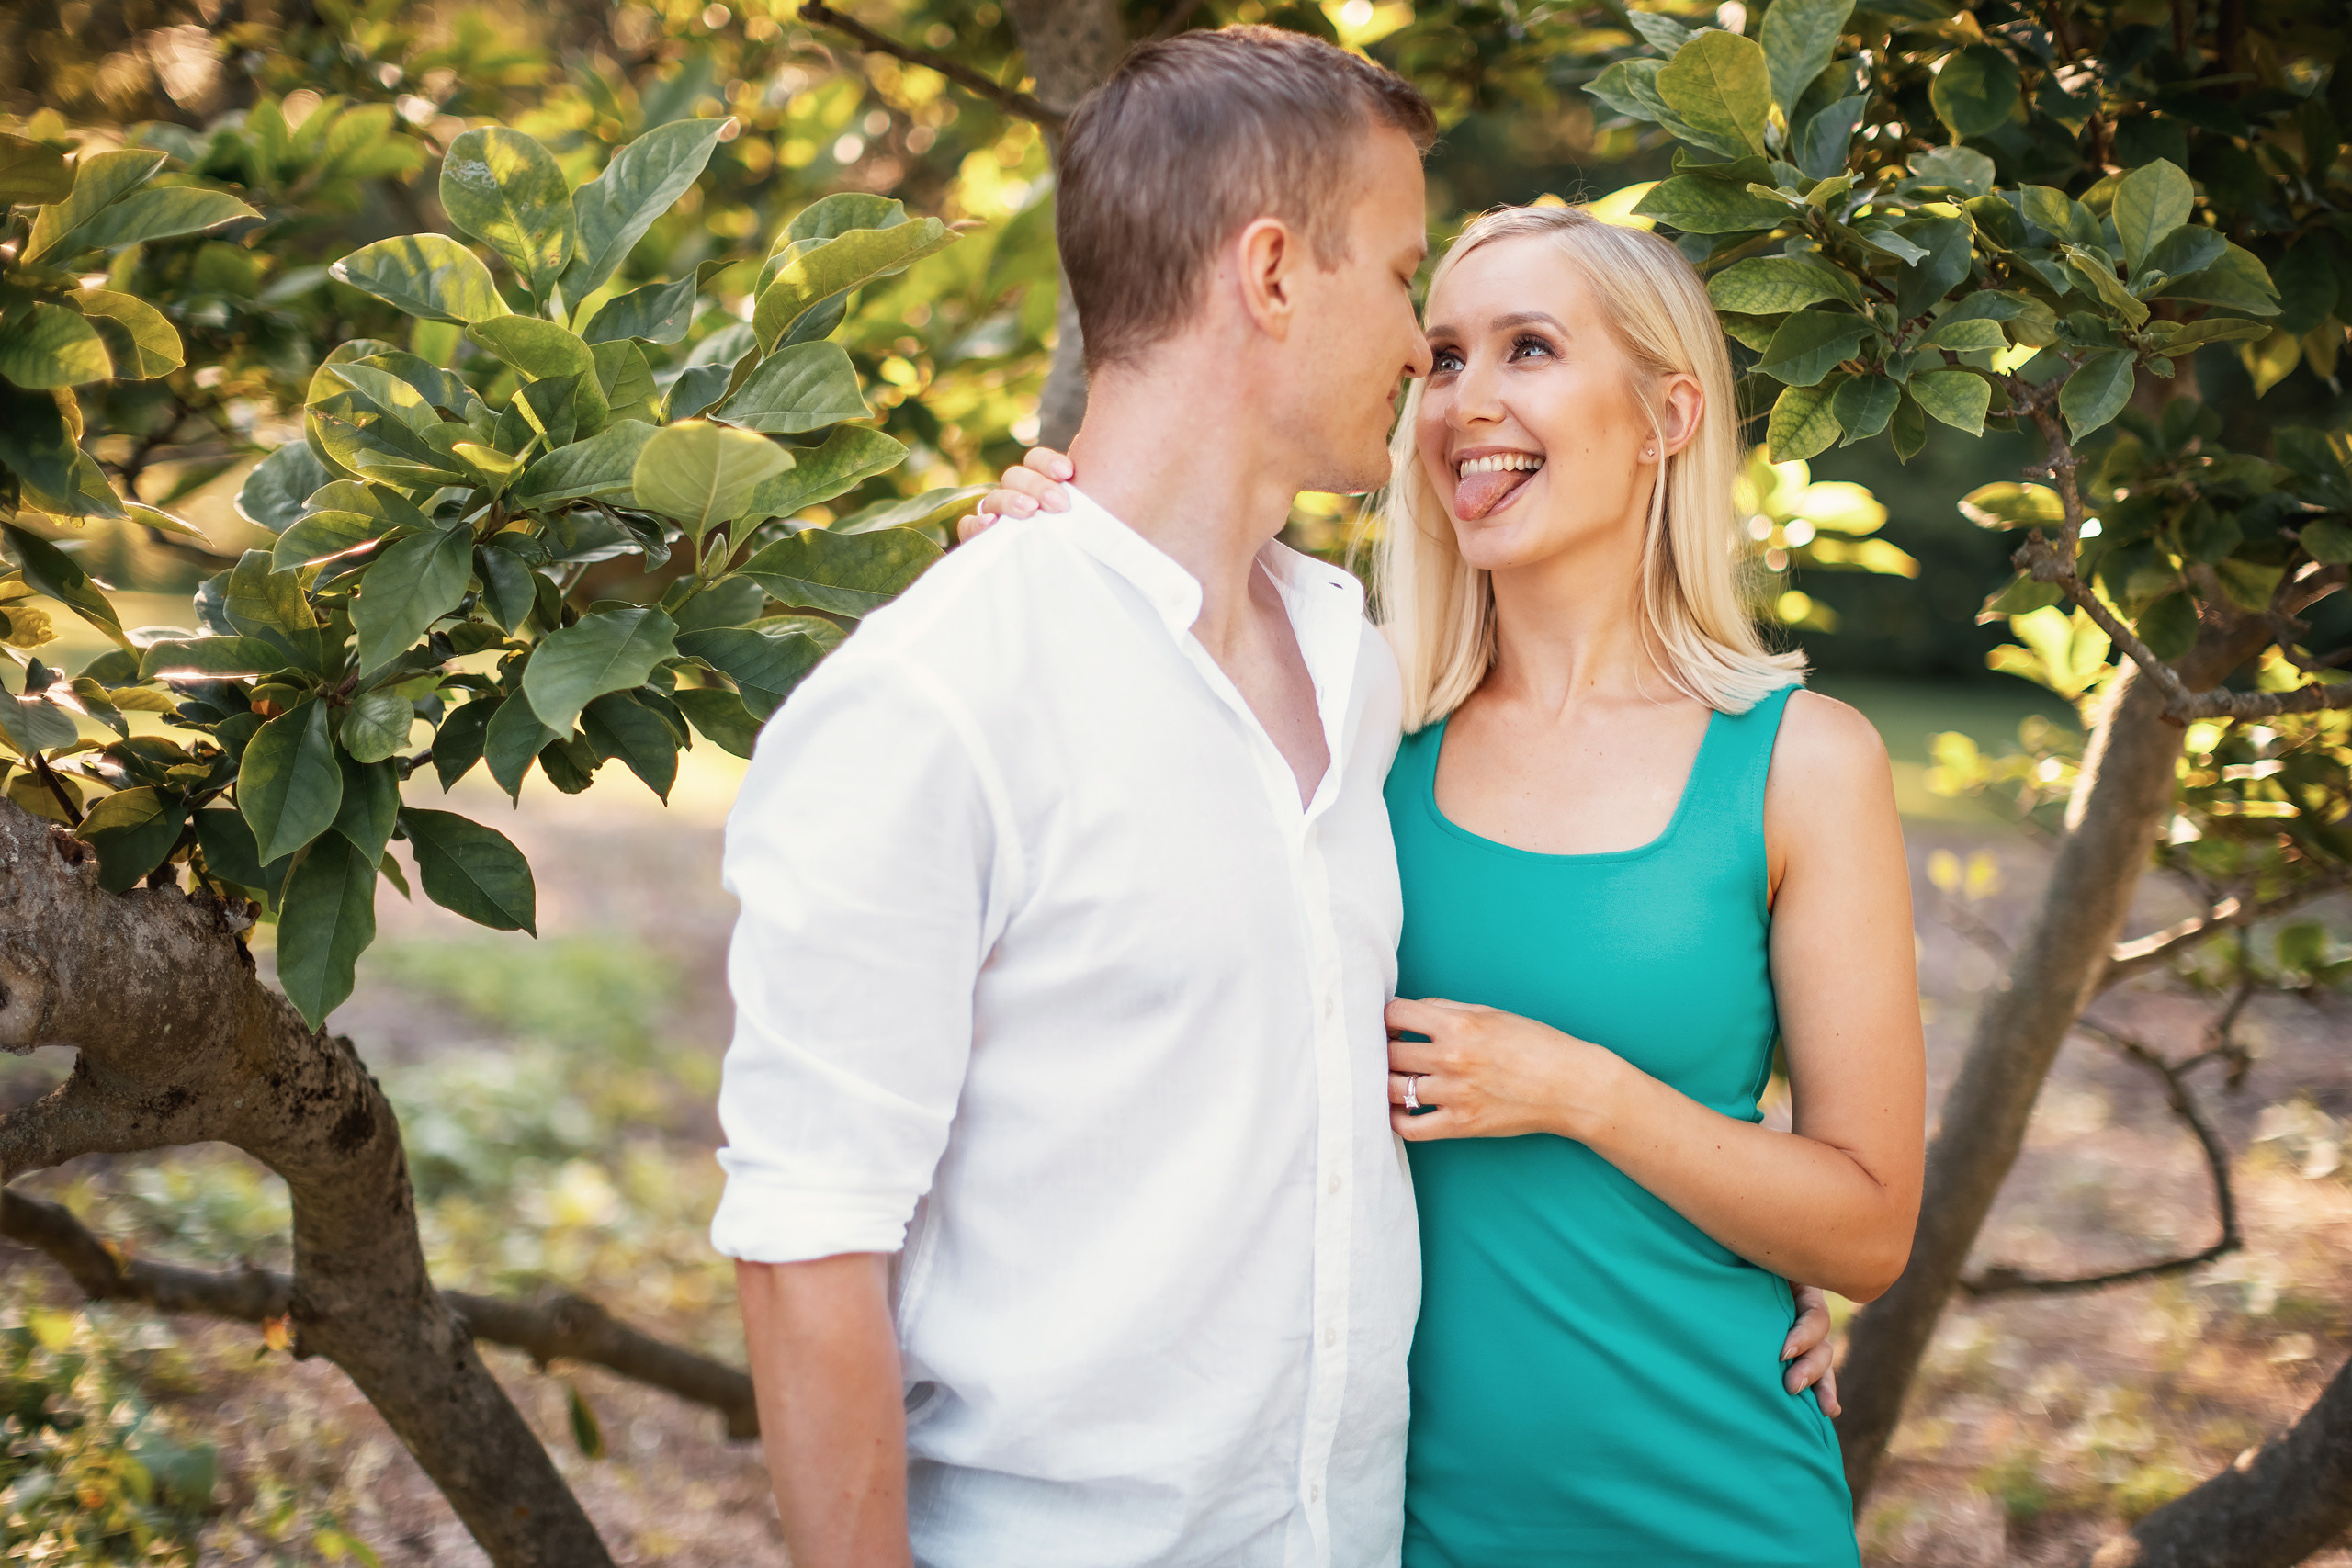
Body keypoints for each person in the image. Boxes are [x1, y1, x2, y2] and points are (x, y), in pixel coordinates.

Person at [975, 205, 1924, 1566]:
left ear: (1668, 413)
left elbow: (1871, 1225)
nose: (1466, 402)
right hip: (1393, 1520)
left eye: (1528, 349)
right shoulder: (1349, 725)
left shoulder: (1800, 766)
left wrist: (1588, 1098)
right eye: (1442, 357)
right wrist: (1042, 556)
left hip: (1716, 1499)